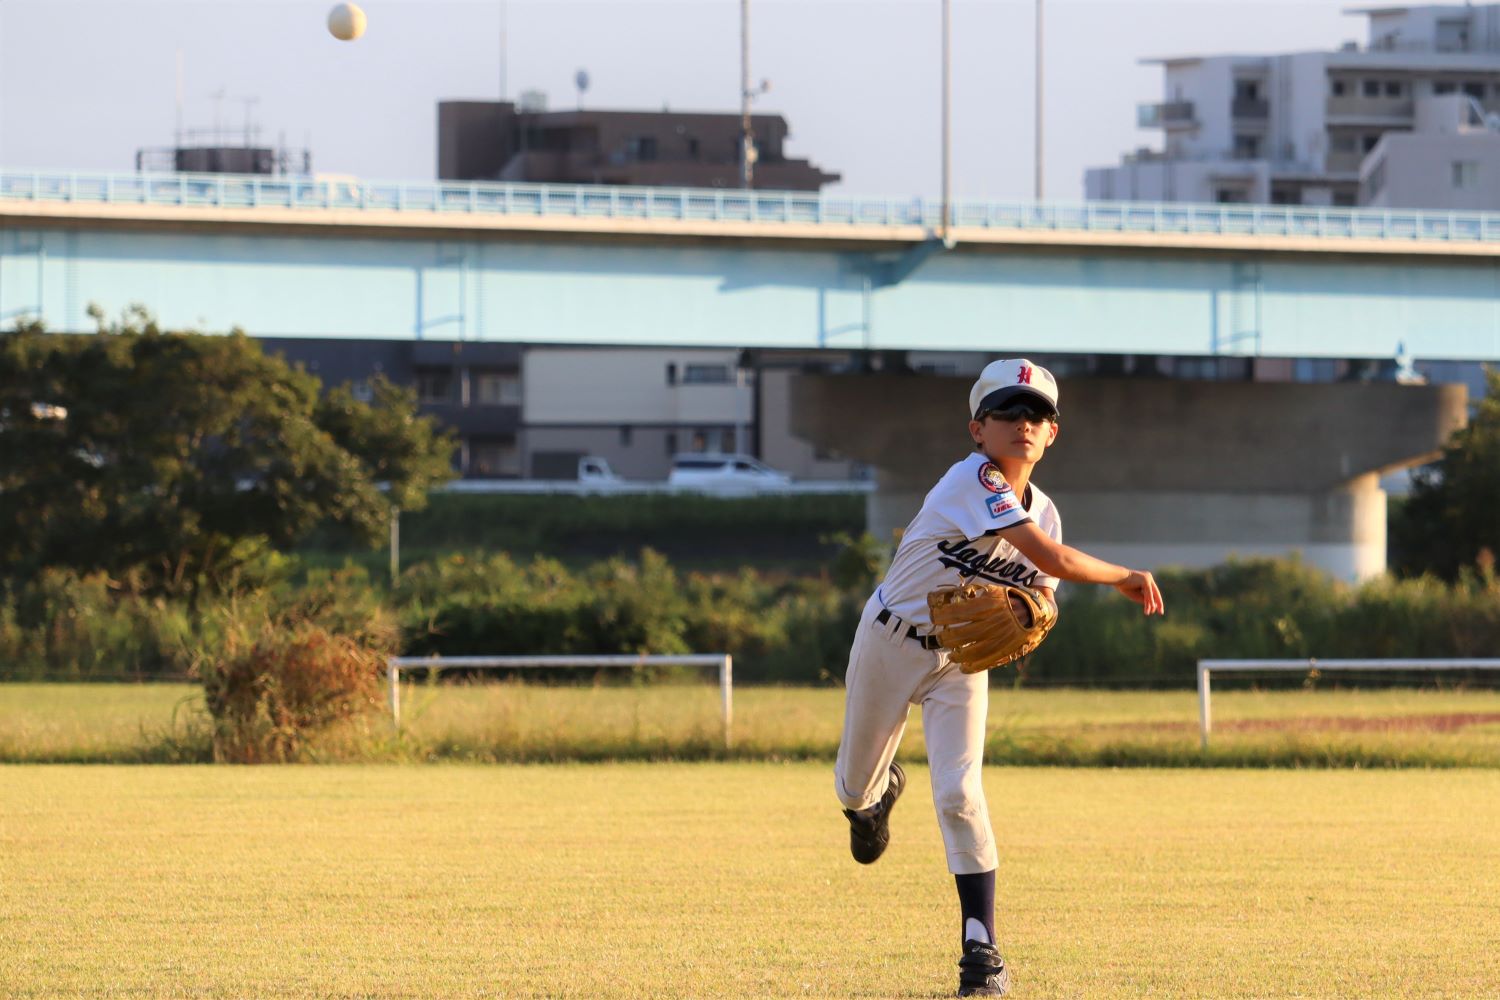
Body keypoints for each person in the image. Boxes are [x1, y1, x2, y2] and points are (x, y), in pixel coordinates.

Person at [834, 358, 1165, 998]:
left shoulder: (1047, 512)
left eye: (1037, 414)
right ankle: (873, 799)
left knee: (960, 794)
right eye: (1008, 412)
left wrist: (1031, 612)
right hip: (890, 640)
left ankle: (981, 950)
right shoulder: (971, 479)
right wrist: (1124, 574)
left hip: (961, 658)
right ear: (978, 429)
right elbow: (1055, 562)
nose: (1024, 423)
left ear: (1052, 435)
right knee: (852, 786)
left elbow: (1041, 593)